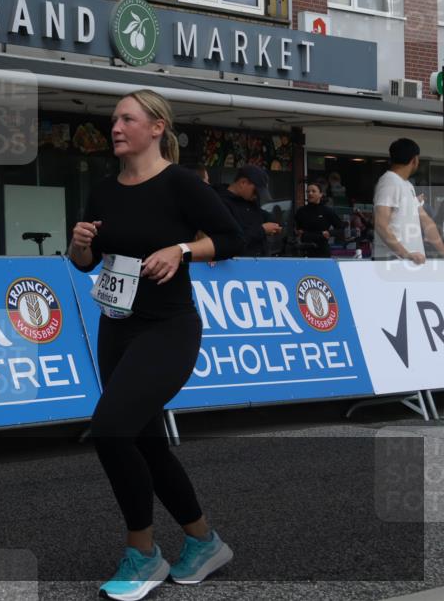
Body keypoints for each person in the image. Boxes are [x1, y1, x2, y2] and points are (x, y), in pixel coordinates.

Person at [68, 90, 244, 601]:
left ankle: (142, 554)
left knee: (110, 429)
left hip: (169, 329)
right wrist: (80, 246)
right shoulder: (103, 191)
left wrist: (182, 249)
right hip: (116, 325)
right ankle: (203, 541)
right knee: (142, 439)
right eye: (113, 119)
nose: (116, 127)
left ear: (157, 128)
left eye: (127, 118)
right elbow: (86, 261)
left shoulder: (181, 185)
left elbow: (233, 238)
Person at [373, 138, 444, 263]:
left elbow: (427, 222)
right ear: (414, 160)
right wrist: (405, 254)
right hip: (394, 263)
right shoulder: (389, 182)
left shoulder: (407, 186)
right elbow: (381, 224)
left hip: (412, 263)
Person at [214, 165, 282, 257]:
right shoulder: (221, 203)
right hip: (238, 264)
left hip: (260, 262)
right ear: (243, 183)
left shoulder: (249, 201)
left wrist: (273, 222)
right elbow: (232, 240)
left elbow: (262, 214)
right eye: (255, 191)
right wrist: (262, 230)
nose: (257, 196)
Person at [295, 182, 344, 258]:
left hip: (321, 250)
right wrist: (297, 232)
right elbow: (295, 228)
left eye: (313, 191)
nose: (310, 194)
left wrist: (329, 233)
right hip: (303, 249)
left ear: (320, 194)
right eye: (308, 192)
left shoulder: (327, 211)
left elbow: (341, 229)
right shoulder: (301, 211)